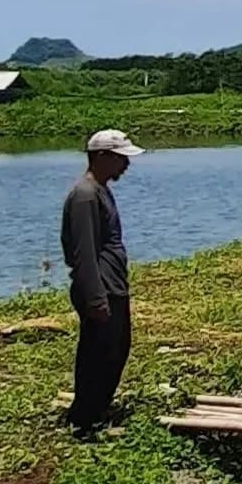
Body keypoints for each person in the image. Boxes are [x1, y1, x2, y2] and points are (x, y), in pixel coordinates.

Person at [60, 127, 144, 435]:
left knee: (115, 350)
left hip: (112, 285)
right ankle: (85, 420)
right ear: (102, 156)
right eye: (121, 158)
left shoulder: (100, 190)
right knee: (98, 355)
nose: (126, 165)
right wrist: (96, 298)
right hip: (101, 289)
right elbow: (83, 253)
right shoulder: (85, 195)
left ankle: (97, 409)